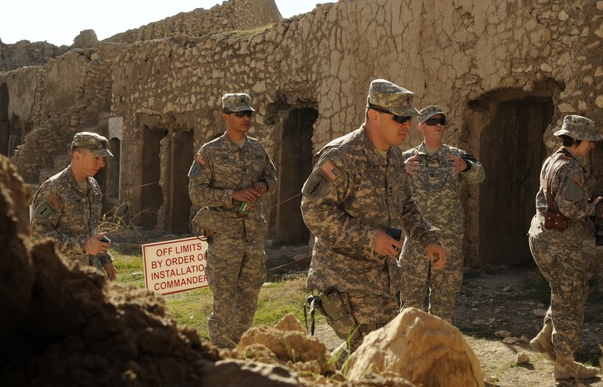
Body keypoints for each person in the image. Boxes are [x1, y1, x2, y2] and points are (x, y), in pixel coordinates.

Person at [301, 79, 447, 354]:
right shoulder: (342, 156)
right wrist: (370, 239)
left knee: (375, 355)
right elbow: (313, 210)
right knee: (373, 358)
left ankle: (320, 386)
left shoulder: (393, 155)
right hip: (346, 282)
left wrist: (427, 238)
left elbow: (405, 205)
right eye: (400, 118)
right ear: (373, 115)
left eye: (409, 119)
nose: (406, 125)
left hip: (383, 279)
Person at [527, 114, 603, 380]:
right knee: (571, 300)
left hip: (541, 236)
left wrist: (587, 203)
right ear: (575, 139)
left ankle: (545, 338)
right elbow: (569, 208)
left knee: (565, 293)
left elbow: (556, 199)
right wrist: (594, 209)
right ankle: (565, 363)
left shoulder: (552, 160)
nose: (593, 145)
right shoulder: (570, 168)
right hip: (560, 243)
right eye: (589, 140)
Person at [188, 93, 277, 348]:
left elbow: (272, 178)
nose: (246, 118)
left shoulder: (258, 148)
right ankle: (220, 351)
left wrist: (262, 185)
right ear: (226, 116)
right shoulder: (210, 152)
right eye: (240, 114)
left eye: (249, 113)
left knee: (250, 295)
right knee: (224, 299)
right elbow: (196, 192)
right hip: (225, 237)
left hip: (253, 234)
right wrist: (232, 195)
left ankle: (239, 346)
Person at [398, 105, 485, 324]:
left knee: (444, 299)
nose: (438, 125)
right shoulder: (407, 158)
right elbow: (384, 182)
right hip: (417, 237)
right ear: (421, 127)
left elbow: (479, 174)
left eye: (441, 122)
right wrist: (399, 169)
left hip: (448, 237)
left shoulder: (456, 156)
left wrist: (466, 167)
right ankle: (409, 350)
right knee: (410, 300)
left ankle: (439, 350)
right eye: (432, 122)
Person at [30, 131, 116, 280]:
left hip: (91, 276)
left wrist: (105, 259)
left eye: (103, 159)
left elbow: (91, 230)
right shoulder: (54, 188)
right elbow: (38, 235)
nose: (101, 164)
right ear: (77, 156)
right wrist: (83, 245)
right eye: (96, 158)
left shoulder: (93, 186)